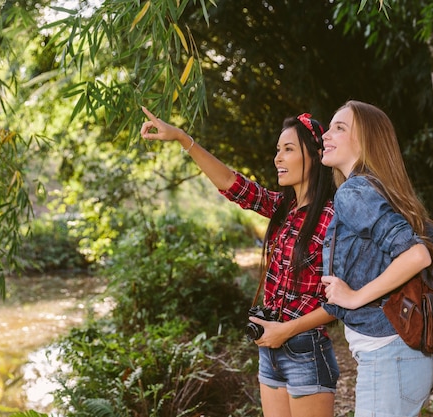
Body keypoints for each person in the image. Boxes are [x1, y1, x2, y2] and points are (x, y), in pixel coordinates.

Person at [140, 106, 339, 417]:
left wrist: (285, 331)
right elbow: (232, 184)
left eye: (288, 149)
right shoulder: (282, 209)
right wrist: (182, 138)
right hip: (269, 349)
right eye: (277, 150)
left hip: (306, 351)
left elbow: (339, 302)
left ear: (314, 156)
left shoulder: (333, 217)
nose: (278, 159)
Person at [319, 100, 433, 417]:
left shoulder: (354, 192)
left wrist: (355, 296)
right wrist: (403, 293)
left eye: (339, 128)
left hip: (389, 358)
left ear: (367, 141)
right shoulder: (390, 193)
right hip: (408, 358)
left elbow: (417, 256)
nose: (325, 135)